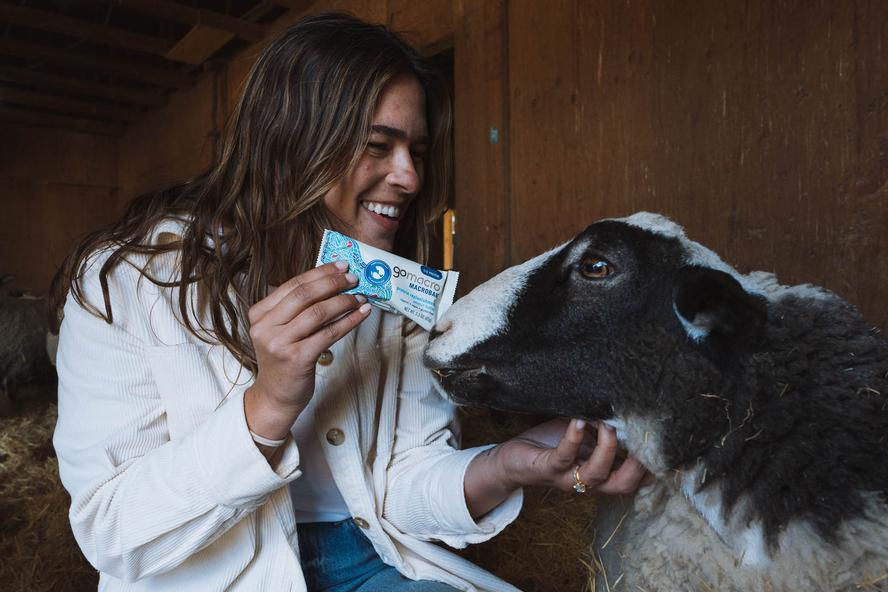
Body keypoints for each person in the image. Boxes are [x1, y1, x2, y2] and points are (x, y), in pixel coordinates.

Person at [50, 12, 649, 592]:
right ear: (290, 144)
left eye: (414, 149)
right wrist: (266, 408)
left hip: (371, 560)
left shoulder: (395, 290)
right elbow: (111, 531)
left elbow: (403, 486)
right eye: (377, 145)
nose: (410, 177)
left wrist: (508, 465)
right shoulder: (132, 280)